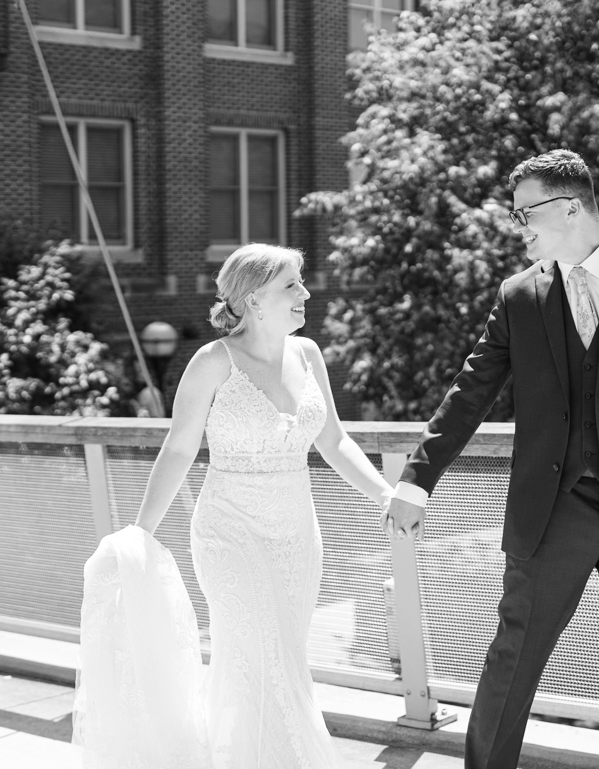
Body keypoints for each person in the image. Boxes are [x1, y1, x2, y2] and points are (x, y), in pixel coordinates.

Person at [384, 149, 599, 769]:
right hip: (551, 510)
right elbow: (471, 390)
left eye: (525, 215)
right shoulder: (520, 295)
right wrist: (417, 478)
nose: (520, 228)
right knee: (512, 660)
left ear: (569, 207)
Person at [75, 243, 393, 768]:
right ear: (253, 298)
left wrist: (384, 493)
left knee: (285, 654)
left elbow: (334, 442)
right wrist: (141, 533)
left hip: (296, 533)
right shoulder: (212, 361)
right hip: (229, 531)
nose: (306, 293)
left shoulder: (309, 355)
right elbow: (179, 448)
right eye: (292, 284)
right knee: (253, 648)